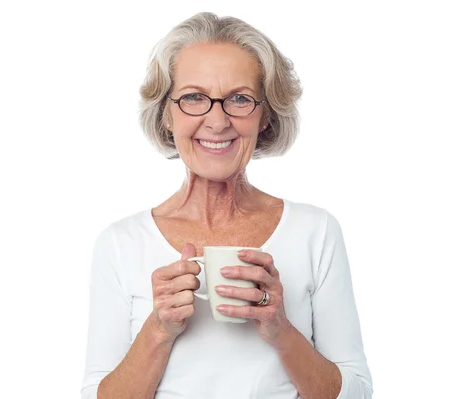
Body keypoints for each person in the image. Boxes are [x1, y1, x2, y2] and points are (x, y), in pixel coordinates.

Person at [81, 12, 372, 399]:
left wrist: (280, 329)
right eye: (193, 98)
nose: (217, 121)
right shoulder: (119, 243)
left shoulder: (315, 232)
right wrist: (158, 330)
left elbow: (358, 393)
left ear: (265, 115)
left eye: (239, 99)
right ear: (167, 113)